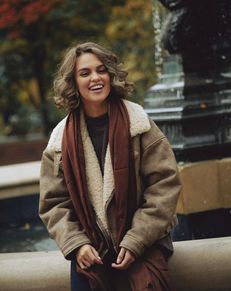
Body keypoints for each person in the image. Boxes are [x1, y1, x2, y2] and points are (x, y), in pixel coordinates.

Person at [39, 42, 181, 291]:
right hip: (91, 247)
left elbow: (164, 186)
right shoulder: (59, 140)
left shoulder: (140, 125)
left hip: (143, 239)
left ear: (111, 75)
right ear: (73, 82)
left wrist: (136, 239)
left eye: (101, 70)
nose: (95, 78)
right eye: (85, 73)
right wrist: (77, 244)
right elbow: (54, 204)